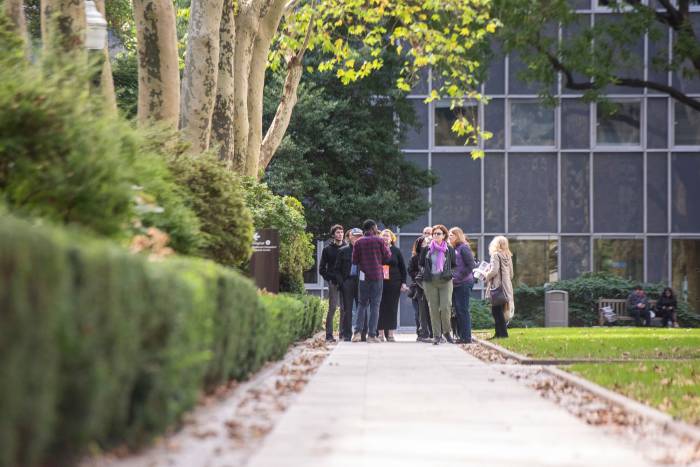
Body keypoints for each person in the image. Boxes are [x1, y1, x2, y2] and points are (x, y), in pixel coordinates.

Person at [351, 219, 392, 343]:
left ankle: (357, 333)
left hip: (364, 276)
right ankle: (372, 335)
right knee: (375, 305)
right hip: (377, 276)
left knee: (362, 304)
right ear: (373, 228)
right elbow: (387, 257)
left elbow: (354, 260)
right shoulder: (379, 241)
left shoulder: (358, 242)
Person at [420, 224, 457, 345]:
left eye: (439, 233)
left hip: (445, 281)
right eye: (434, 233)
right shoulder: (427, 249)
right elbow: (420, 264)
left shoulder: (449, 249)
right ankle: (436, 335)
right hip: (430, 281)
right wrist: (424, 272)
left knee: (446, 307)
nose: (436, 235)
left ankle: (446, 332)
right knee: (433, 308)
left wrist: (450, 274)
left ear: (444, 235)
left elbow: (454, 265)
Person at [377, 229, 408, 342]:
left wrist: (403, 283)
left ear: (392, 238)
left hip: (394, 283)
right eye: (383, 236)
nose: (385, 238)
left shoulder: (396, 251)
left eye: (387, 236)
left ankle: (390, 334)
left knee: (392, 308)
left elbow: (403, 269)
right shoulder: (377, 250)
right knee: (380, 307)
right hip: (379, 282)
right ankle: (380, 334)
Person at [334, 228, 363, 341]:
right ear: (350, 237)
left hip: (361, 282)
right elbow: (336, 269)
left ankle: (361, 333)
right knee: (347, 309)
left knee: (362, 308)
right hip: (348, 282)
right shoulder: (343, 250)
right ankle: (347, 334)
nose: (357, 238)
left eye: (359, 236)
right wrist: (342, 283)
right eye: (355, 236)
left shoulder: (363, 250)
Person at [449, 227, 476, 344]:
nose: (449, 237)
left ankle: (466, 337)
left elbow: (471, 265)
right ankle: (461, 336)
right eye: (449, 235)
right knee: (458, 310)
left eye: (452, 235)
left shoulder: (463, 248)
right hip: (455, 284)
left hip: (464, 283)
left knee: (463, 310)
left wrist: (458, 277)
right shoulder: (453, 249)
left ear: (458, 236)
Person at [484, 236, 514, 339]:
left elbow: (494, 271)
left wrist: (486, 275)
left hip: (497, 286)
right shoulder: (508, 255)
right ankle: (498, 334)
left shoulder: (495, 255)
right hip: (506, 286)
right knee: (499, 310)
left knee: (496, 311)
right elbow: (511, 274)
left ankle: (503, 334)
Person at [319, 224, 345, 342]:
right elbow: (321, 269)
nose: (340, 234)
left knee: (344, 308)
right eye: (338, 232)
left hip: (345, 282)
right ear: (333, 234)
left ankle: (343, 334)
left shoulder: (347, 247)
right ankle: (329, 335)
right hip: (333, 282)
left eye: (341, 232)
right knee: (333, 307)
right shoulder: (327, 249)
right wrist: (329, 278)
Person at [408, 236, 432, 342]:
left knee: (431, 312)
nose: (427, 244)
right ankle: (421, 333)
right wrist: (420, 275)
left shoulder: (434, 255)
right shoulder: (415, 258)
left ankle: (432, 333)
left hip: (432, 285)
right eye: (424, 243)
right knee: (419, 312)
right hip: (419, 287)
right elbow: (410, 271)